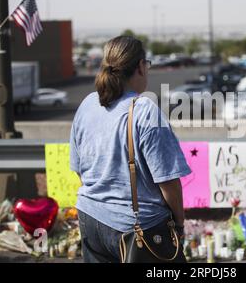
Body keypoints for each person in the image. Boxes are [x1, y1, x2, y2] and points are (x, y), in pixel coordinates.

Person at [69, 36, 191, 263]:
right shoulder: (144, 110)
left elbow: (79, 170)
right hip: (137, 228)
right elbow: (169, 183)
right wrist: (179, 225)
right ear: (140, 67)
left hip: (90, 217)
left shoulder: (88, 104)